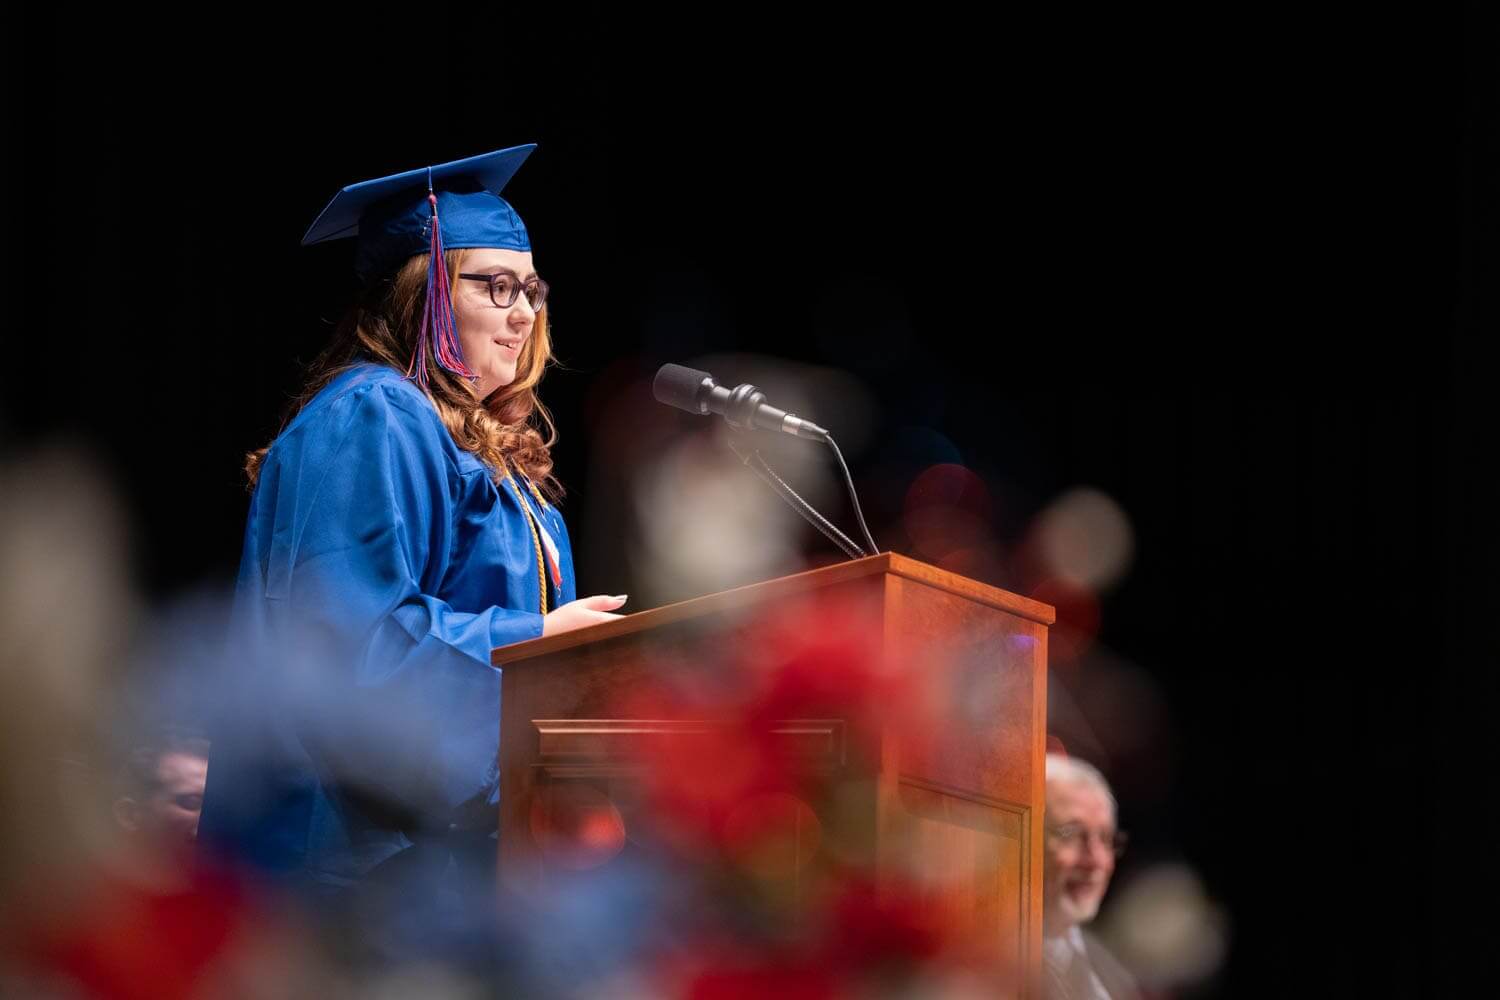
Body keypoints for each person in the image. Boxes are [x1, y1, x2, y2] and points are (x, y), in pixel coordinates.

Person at [198, 144, 626, 896]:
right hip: (353, 865)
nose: (524, 310)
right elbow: (347, 650)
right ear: (421, 293)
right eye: (495, 286)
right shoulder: (377, 412)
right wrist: (534, 649)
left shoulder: (498, 457)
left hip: (451, 856)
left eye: (531, 287)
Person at [1042, 753, 1140, 1000]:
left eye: (1106, 839)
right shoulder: (983, 966)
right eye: (1072, 835)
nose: (1097, 861)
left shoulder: (1119, 973)